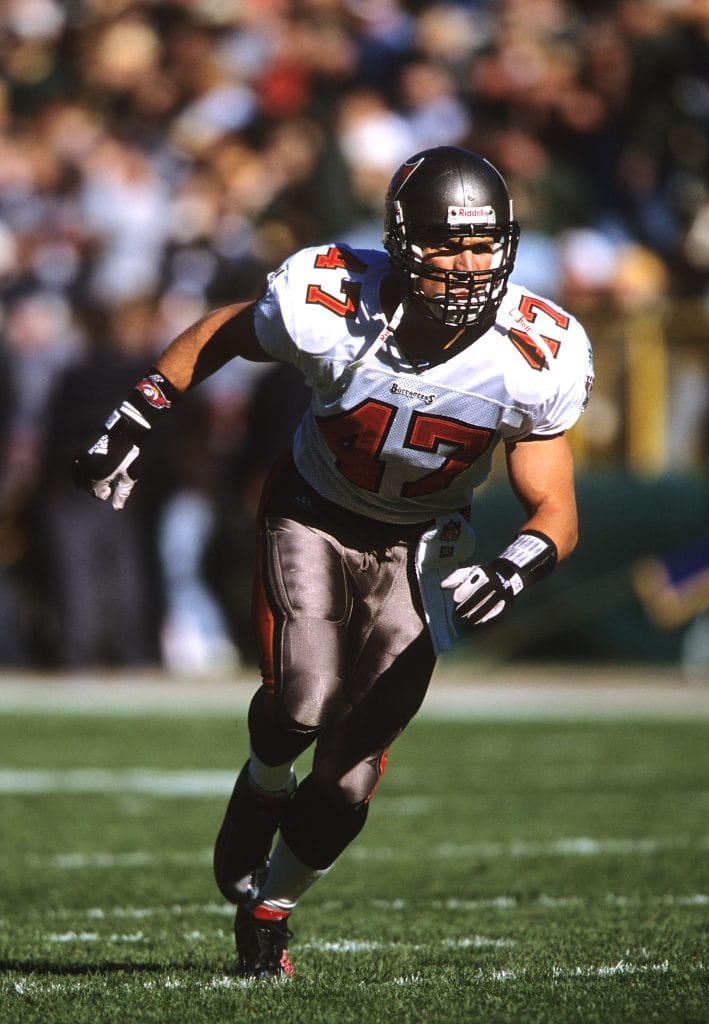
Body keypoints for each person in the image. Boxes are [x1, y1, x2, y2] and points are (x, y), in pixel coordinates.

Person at [73, 146, 594, 979]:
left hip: (422, 547)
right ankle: (263, 780)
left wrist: (512, 568)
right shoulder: (327, 300)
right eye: (443, 242)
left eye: (481, 243)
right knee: (303, 702)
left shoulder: (537, 351)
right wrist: (139, 412)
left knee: (350, 778)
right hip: (313, 512)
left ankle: (270, 912)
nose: (466, 264)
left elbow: (556, 510)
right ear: (398, 239)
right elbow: (228, 330)